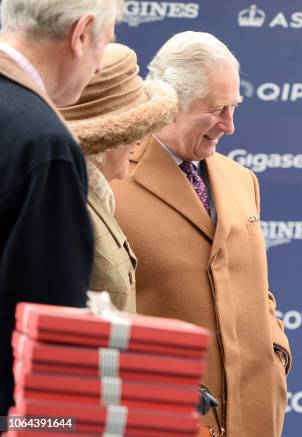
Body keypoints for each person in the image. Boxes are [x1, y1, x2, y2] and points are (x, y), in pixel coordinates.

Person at [112, 31, 291, 436]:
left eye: (234, 107)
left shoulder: (241, 180)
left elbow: (254, 286)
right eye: (216, 110)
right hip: (162, 420)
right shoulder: (112, 178)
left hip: (254, 416)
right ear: (169, 103)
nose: (230, 125)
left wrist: (276, 356)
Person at [0, 0, 122, 415]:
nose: (100, 67)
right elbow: (49, 341)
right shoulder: (44, 145)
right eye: (105, 45)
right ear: (81, 33)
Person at [60, 43, 178, 312]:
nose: (140, 139)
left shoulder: (95, 197)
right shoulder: (68, 207)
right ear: (103, 142)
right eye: (132, 130)